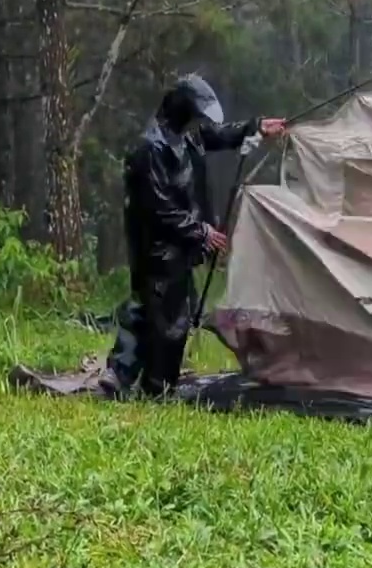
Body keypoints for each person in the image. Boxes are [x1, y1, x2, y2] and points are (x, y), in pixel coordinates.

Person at [103, 74, 285, 397]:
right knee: (168, 320)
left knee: (149, 309)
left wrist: (255, 127)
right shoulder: (151, 148)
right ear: (181, 111)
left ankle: (120, 374)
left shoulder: (186, 136)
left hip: (176, 247)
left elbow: (217, 134)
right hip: (157, 249)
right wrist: (200, 231)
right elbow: (159, 208)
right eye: (195, 115)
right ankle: (156, 388)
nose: (199, 123)